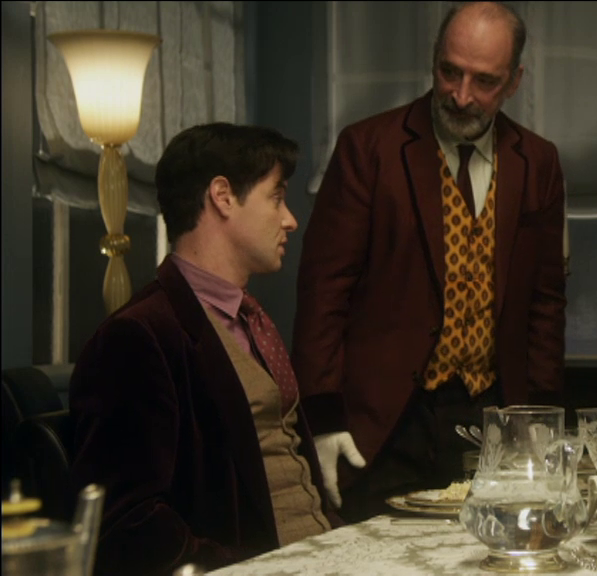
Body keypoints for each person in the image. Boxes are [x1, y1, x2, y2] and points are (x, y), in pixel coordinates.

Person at [291, 1, 567, 523]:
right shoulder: (368, 148)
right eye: (449, 72)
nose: (461, 96)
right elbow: (325, 289)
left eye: (484, 81)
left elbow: (546, 300)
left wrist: (540, 415)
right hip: (385, 420)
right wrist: (323, 416)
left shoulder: (538, 161)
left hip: (493, 417)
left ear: (514, 82)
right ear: (434, 58)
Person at [68, 123, 341, 575]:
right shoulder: (137, 336)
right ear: (222, 196)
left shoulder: (251, 319)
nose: (290, 219)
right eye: (276, 197)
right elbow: (125, 523)